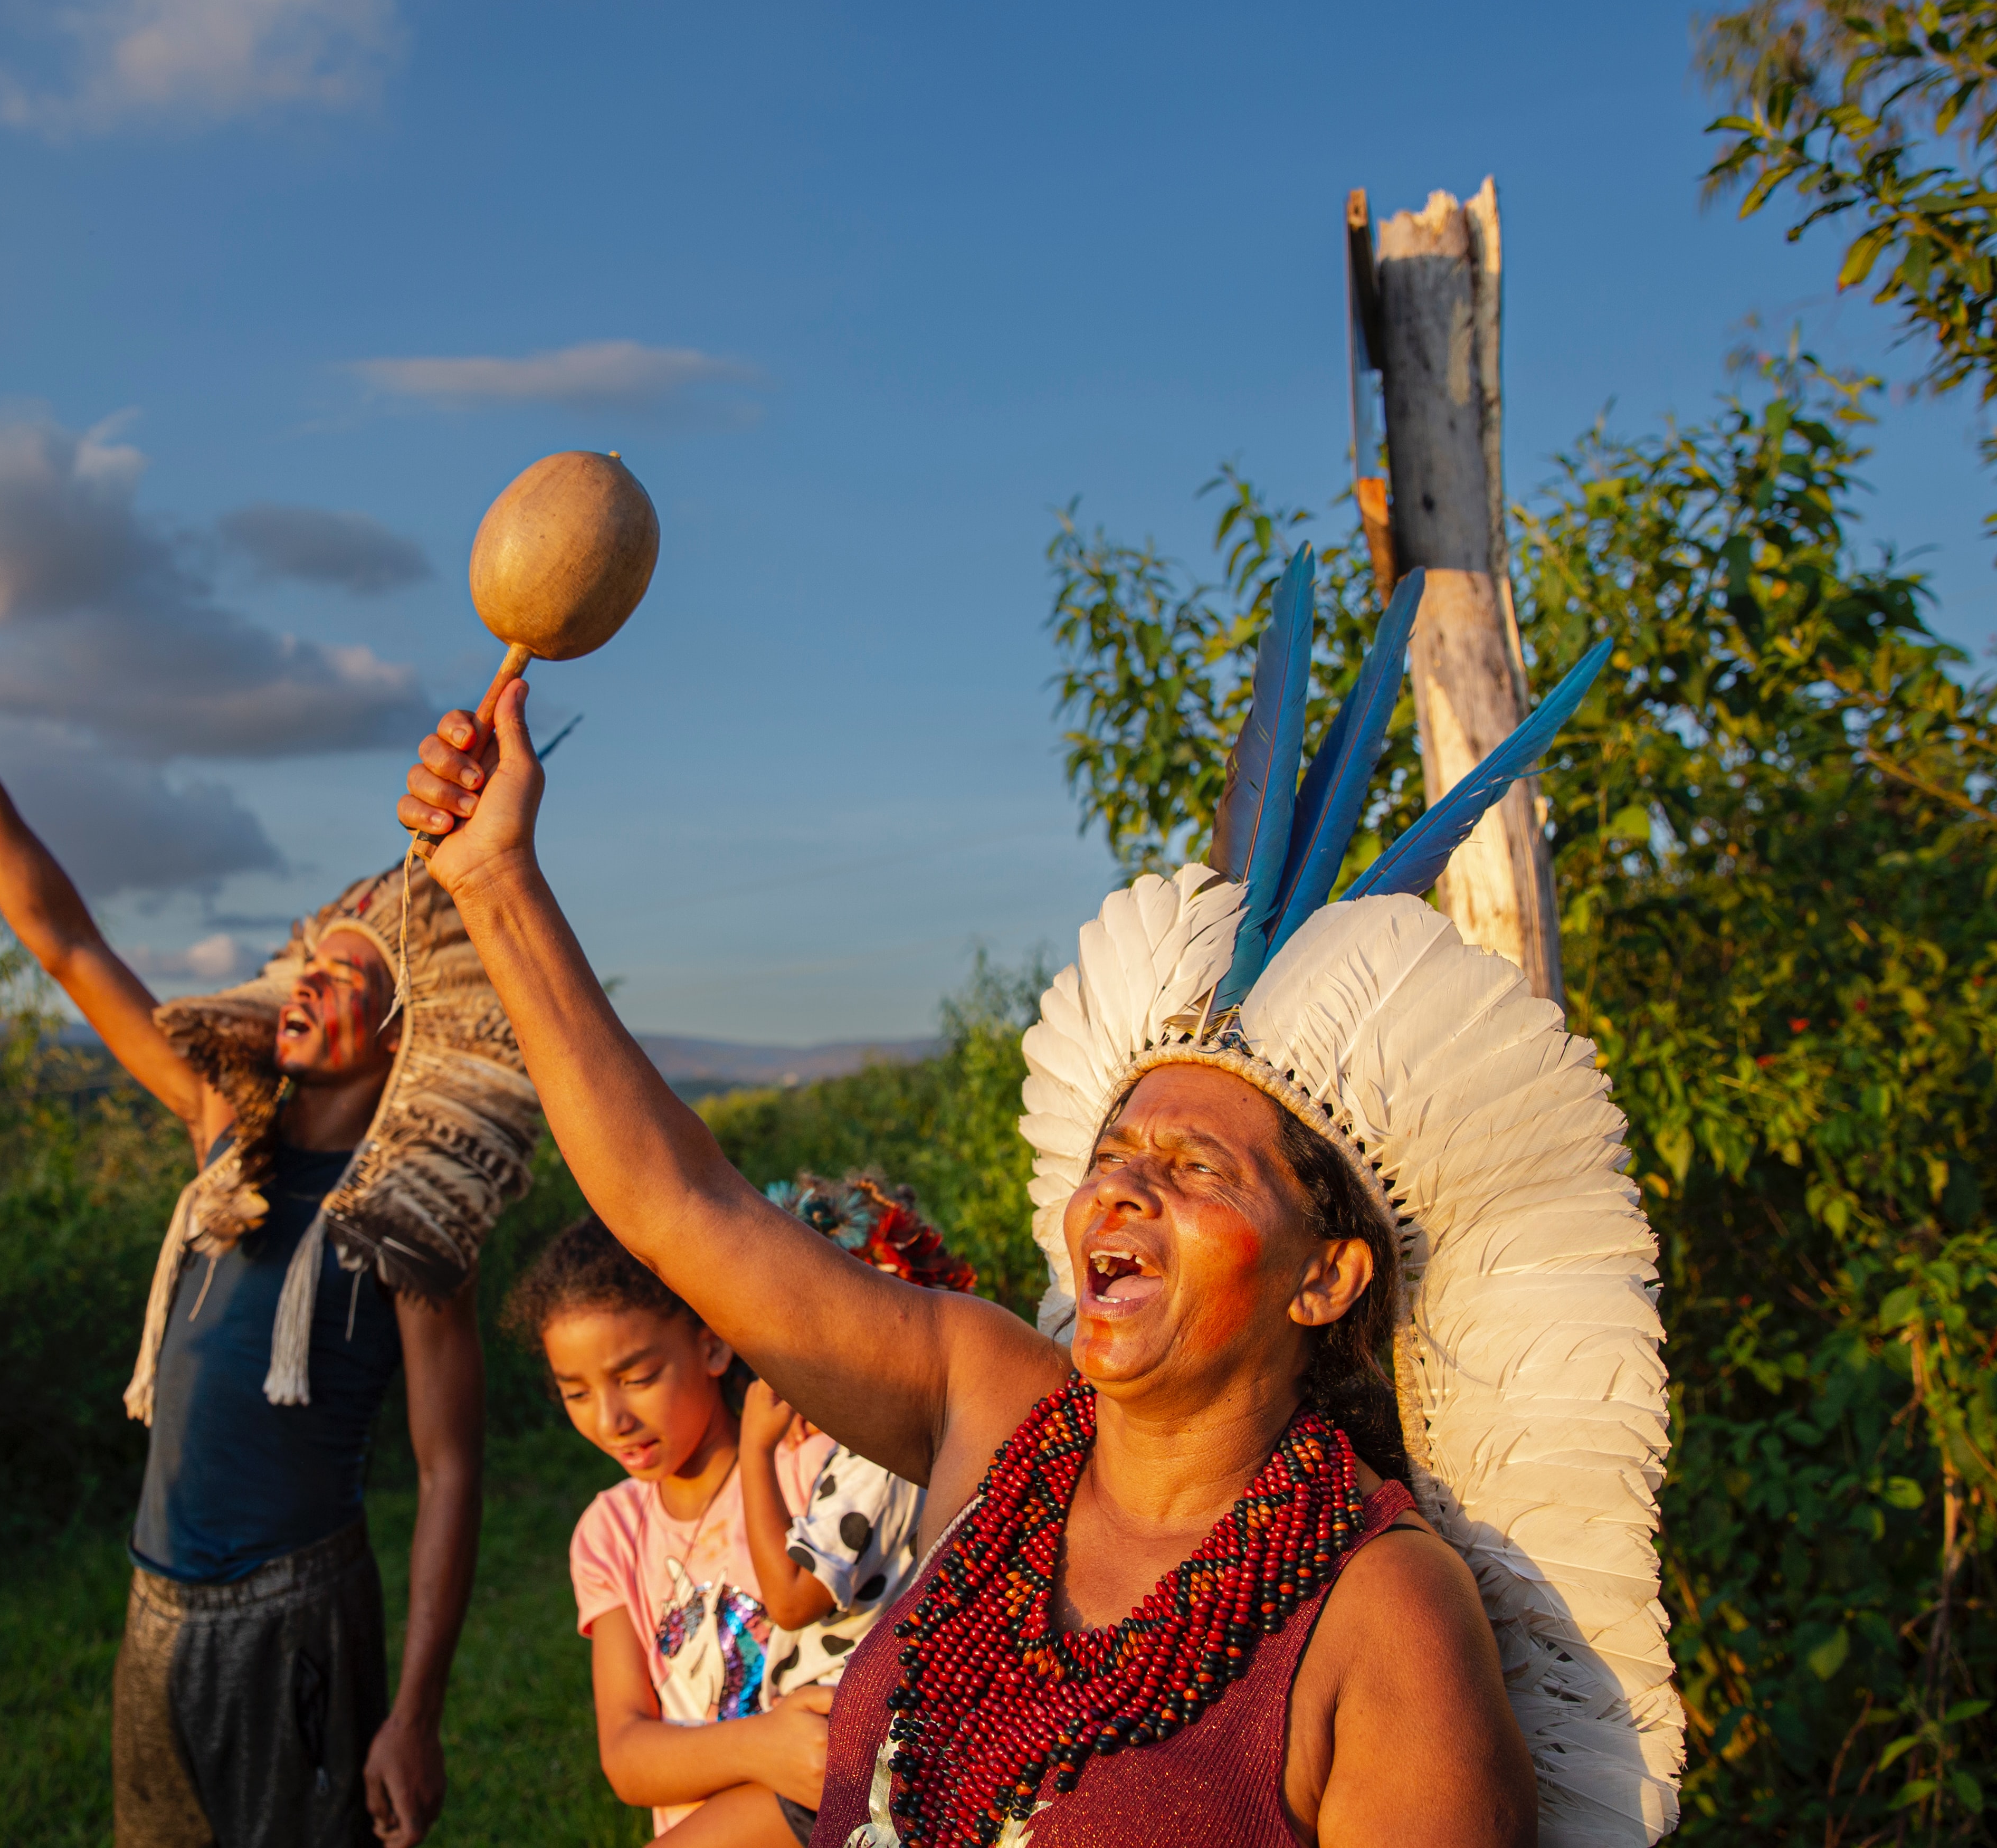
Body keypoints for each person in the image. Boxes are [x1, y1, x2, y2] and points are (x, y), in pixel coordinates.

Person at [395, 559, 1682, 1846]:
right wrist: (496, 881)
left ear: (1325, 1275)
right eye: (1114, 1153)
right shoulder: (994, 1405)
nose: (1118, 1185)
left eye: (1194, 1169)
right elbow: (683, 1210)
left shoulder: (1381, 1615)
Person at [0, 673, 543, 1848]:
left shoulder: (407, 1227)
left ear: (408, 1037)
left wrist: (415, 1715)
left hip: (294, 1618)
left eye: (352, 980)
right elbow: (66, 941)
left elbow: (451, 1475)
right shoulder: (220, 1138)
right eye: (312, 966)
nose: (313, 984)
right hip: (156, 1605)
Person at [504, 1214, 839, 1846]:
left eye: (636, 1379)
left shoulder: (803, 1469)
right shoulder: (610, 1534)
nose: (612, 1420)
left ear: (712, 1345)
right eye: (575, 1393)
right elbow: (628, 1756)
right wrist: (761, 1747)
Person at [739, 1176, 970, 1703]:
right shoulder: (924, 1432)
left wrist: (753, 1451)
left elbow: (792, 1599)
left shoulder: (879, 1454)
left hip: (839, 1723)